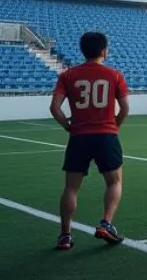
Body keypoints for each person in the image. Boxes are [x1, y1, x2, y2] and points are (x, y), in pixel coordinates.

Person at [49, 30, 129, 251]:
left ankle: (65, 236)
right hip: (106, 136)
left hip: (79, 137)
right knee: (114, 182)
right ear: (104, 50)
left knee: (71, 188)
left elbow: (54, 108)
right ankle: (106, 223)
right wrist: (114, 126)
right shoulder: (115, 75)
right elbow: (125, 108)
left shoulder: (68, 75)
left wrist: (68, 125)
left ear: (82, 50)